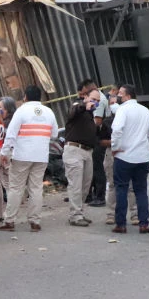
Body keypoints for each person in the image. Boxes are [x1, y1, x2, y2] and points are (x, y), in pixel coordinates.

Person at [0, 85, 59, 232]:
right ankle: (35, 221)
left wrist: (4, 153)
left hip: (22, 156)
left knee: (16, 188)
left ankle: (10, 220)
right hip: (41, 156)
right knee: (36, 188)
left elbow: (11, 134)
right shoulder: (49, 112)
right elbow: (54, 134)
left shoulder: (22, 111)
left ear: (25, 96)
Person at [110, 84, 149, 234]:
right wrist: (145, 147)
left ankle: (121, 224)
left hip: (124, 156)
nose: (118, 96)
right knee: (141, 190)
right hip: (142, 157)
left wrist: (115, 147)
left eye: (120, 94)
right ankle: (144, 223)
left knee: (121, 189)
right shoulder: (145, 111)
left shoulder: (123, 110)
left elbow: (116, 130)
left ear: (128, 96)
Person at [62, 87, 99, 227]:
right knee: (75, 185)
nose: (95, 103)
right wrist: (84, 105)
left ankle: (79, 212)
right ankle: (75, 215)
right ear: (85, 97)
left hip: (87, 151)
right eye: (93, 99)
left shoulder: (90, 114)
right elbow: (73, 111)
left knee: (85, 185)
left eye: (97, 101)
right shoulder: (78, 106)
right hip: (74, 150)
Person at [101, 87, 137, 226]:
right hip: (112, 154)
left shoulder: (132, 117)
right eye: (113, 98)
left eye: (118, 97)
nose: (115, 100)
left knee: (131, 186)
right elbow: (101, 141)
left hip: (128, 152)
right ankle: (111, 214)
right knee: (113, 185)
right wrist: (115, 142)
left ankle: (135, 214)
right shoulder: (108, 122)